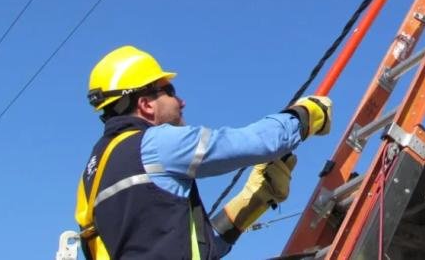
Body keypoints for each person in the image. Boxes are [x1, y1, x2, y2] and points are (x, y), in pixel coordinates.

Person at [74, 45, 332, 260]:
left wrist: (253, 200)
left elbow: (190, 249)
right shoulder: (156, 144)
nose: (181, 101)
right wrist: (307, 114)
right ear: (146, 105)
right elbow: (257, 143)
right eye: (169, 91)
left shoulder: (91, 179)